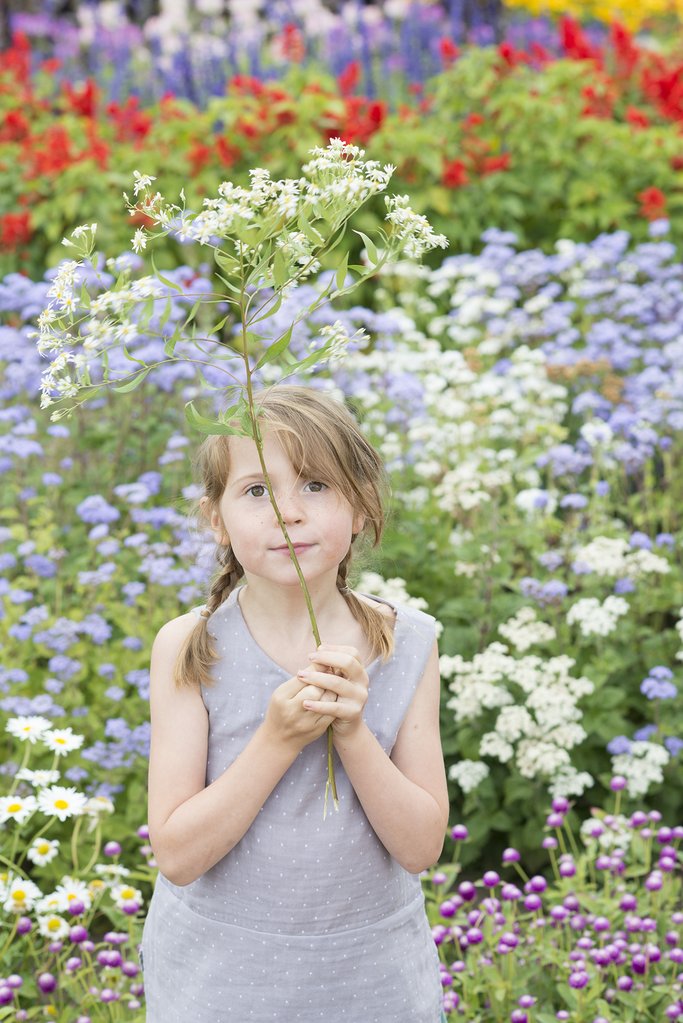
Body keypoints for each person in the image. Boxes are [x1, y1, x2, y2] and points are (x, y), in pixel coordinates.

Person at [140, 385, 450, 1022]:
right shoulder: (190, 648)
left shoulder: (407, 643)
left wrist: (354, 734)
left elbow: (421, 847)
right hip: (222, 979)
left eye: (315, 485)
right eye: (257, 491)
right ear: (215, 519)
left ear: (361, 506)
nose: (288, 512)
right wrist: (276, 740)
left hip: (372, 977)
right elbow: (176, 855)